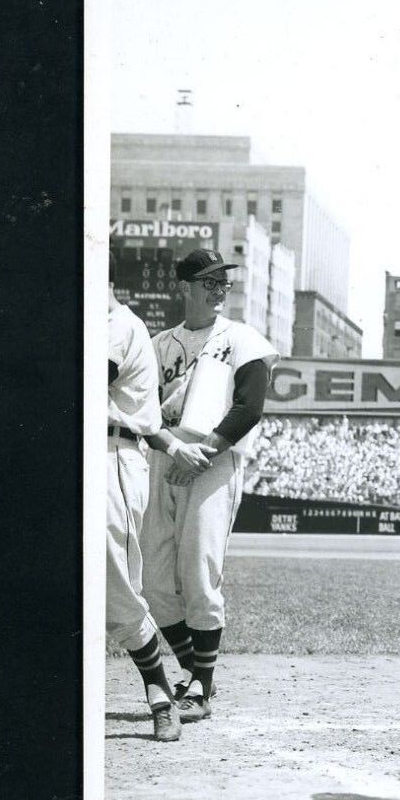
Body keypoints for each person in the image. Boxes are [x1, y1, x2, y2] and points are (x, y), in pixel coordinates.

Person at [142, 247, 279, 724]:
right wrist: (169, 450)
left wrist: (205, 453)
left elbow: (250, 406)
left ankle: (198, 685)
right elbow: (144, 411)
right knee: (154, 580)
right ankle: (198, 671)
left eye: (223, 282)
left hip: (212, 460)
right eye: (209, 281)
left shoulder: (242, 338)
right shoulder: (158, 344)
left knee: (199, 571)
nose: (219, 289)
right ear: (186, 287)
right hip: (163, 458)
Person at [106, 248, 211, 741]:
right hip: (84, 455)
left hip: (113, 457)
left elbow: (87, 385)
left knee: (118, 589)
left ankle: (159, 690)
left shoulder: (119, 324)